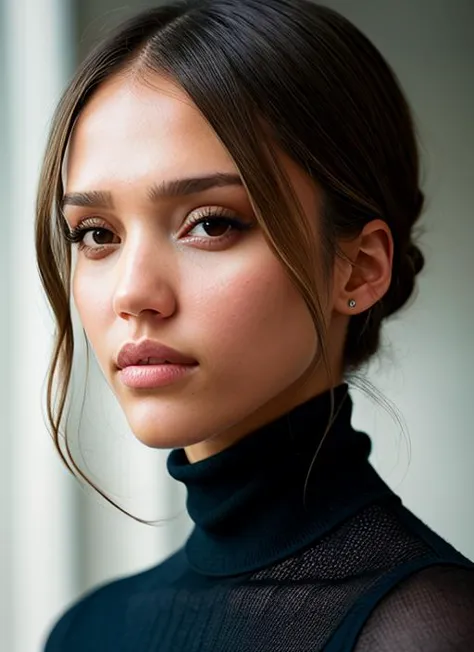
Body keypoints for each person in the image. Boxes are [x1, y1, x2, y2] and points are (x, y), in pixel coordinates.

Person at [37, 0, 474, 649]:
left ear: (356, 270)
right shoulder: (82, 632)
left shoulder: (425, 629)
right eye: (97, 234)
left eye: (211, 223)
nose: (133, 293)